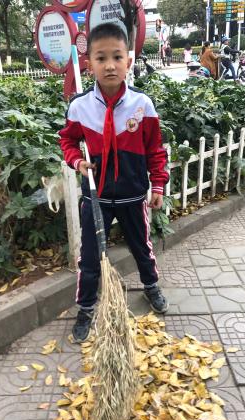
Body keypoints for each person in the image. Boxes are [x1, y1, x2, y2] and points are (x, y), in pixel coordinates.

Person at [59, 23, 170, 343]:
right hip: (97, 198)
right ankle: (86, 308)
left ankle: (151, 287)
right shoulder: (80, 107)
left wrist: (158, 185)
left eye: (117, 57)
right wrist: (77, 161)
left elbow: (155, 150)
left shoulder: (142, 105)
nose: (109, 65)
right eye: (101, 57)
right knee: (90, 257)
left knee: (142, 249)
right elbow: (67, 142)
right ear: (89, 62)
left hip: (134, 196)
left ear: (128, 61)